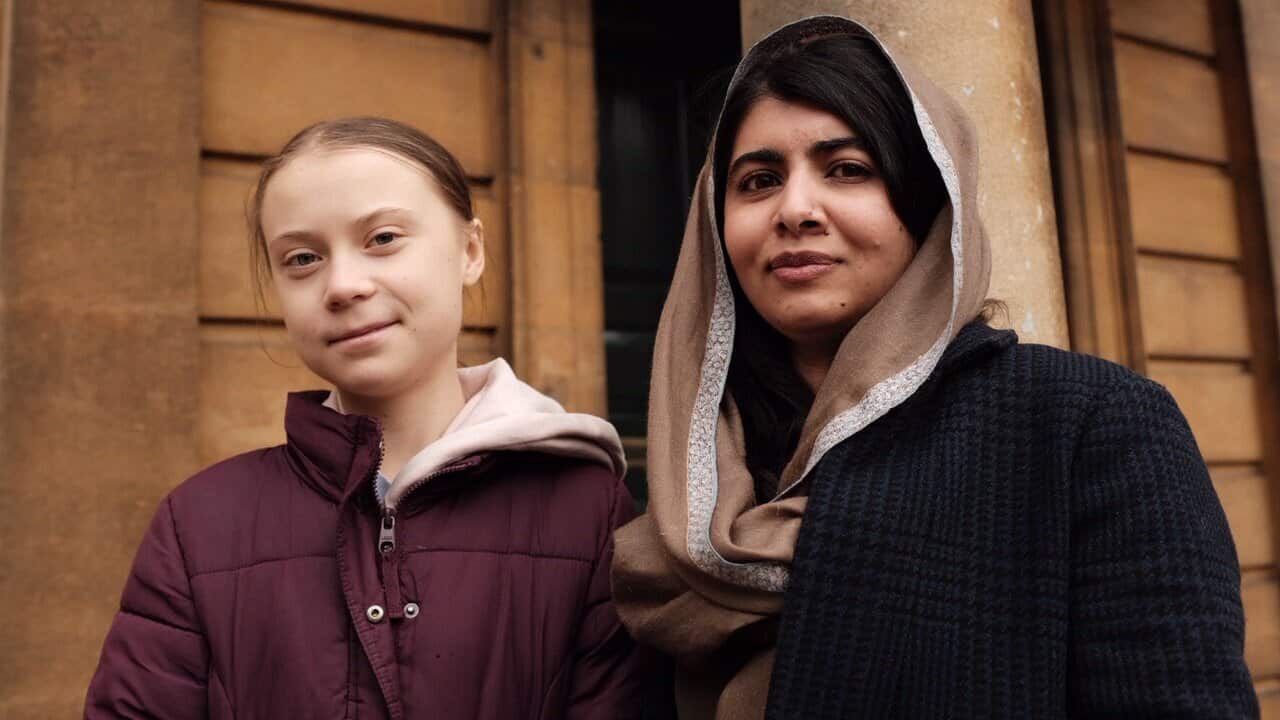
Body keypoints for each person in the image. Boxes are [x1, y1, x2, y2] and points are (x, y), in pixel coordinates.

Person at [611, 16, 1257, 719]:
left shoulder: (1088, 428)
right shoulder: (699, 474)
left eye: (847, 169)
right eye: (759, 180)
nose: (794, 209)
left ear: (927, 207)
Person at [86, 117, 645, 719]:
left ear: (470, 251)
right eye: (302, 258)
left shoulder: (587, 511)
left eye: (382, 239)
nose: (343, 285)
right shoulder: (195, 525)